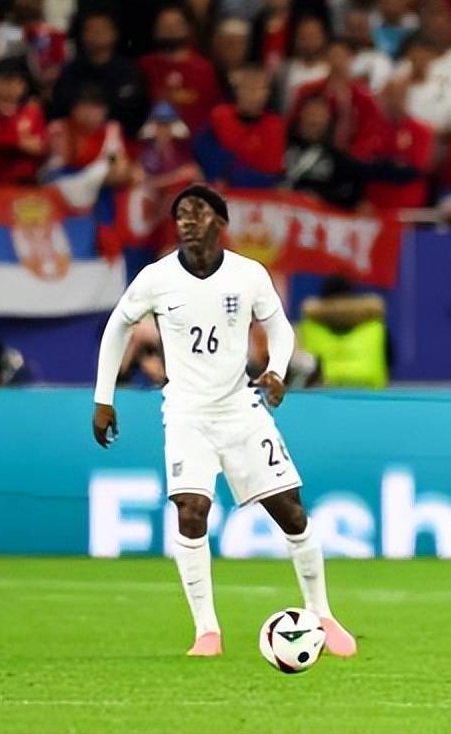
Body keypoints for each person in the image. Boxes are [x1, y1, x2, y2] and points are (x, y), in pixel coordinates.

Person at [91, 184, 357, 659]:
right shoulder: (156, 278)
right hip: (186, 413)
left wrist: (277, 369)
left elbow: (279, 328)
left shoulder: (248, 274)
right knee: (191, 511)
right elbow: (118, 326)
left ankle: (323, 613)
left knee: (290, 510)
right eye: (180, 214)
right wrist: (103, 399)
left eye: (197, 211)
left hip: (240, 409)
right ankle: (206, 632)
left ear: (219, 221)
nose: (187, 220)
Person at [296, 276, 392, 389]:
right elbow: (389, 365)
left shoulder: (306, 329)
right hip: (371, 396)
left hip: (319, 396)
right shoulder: (377, 329)